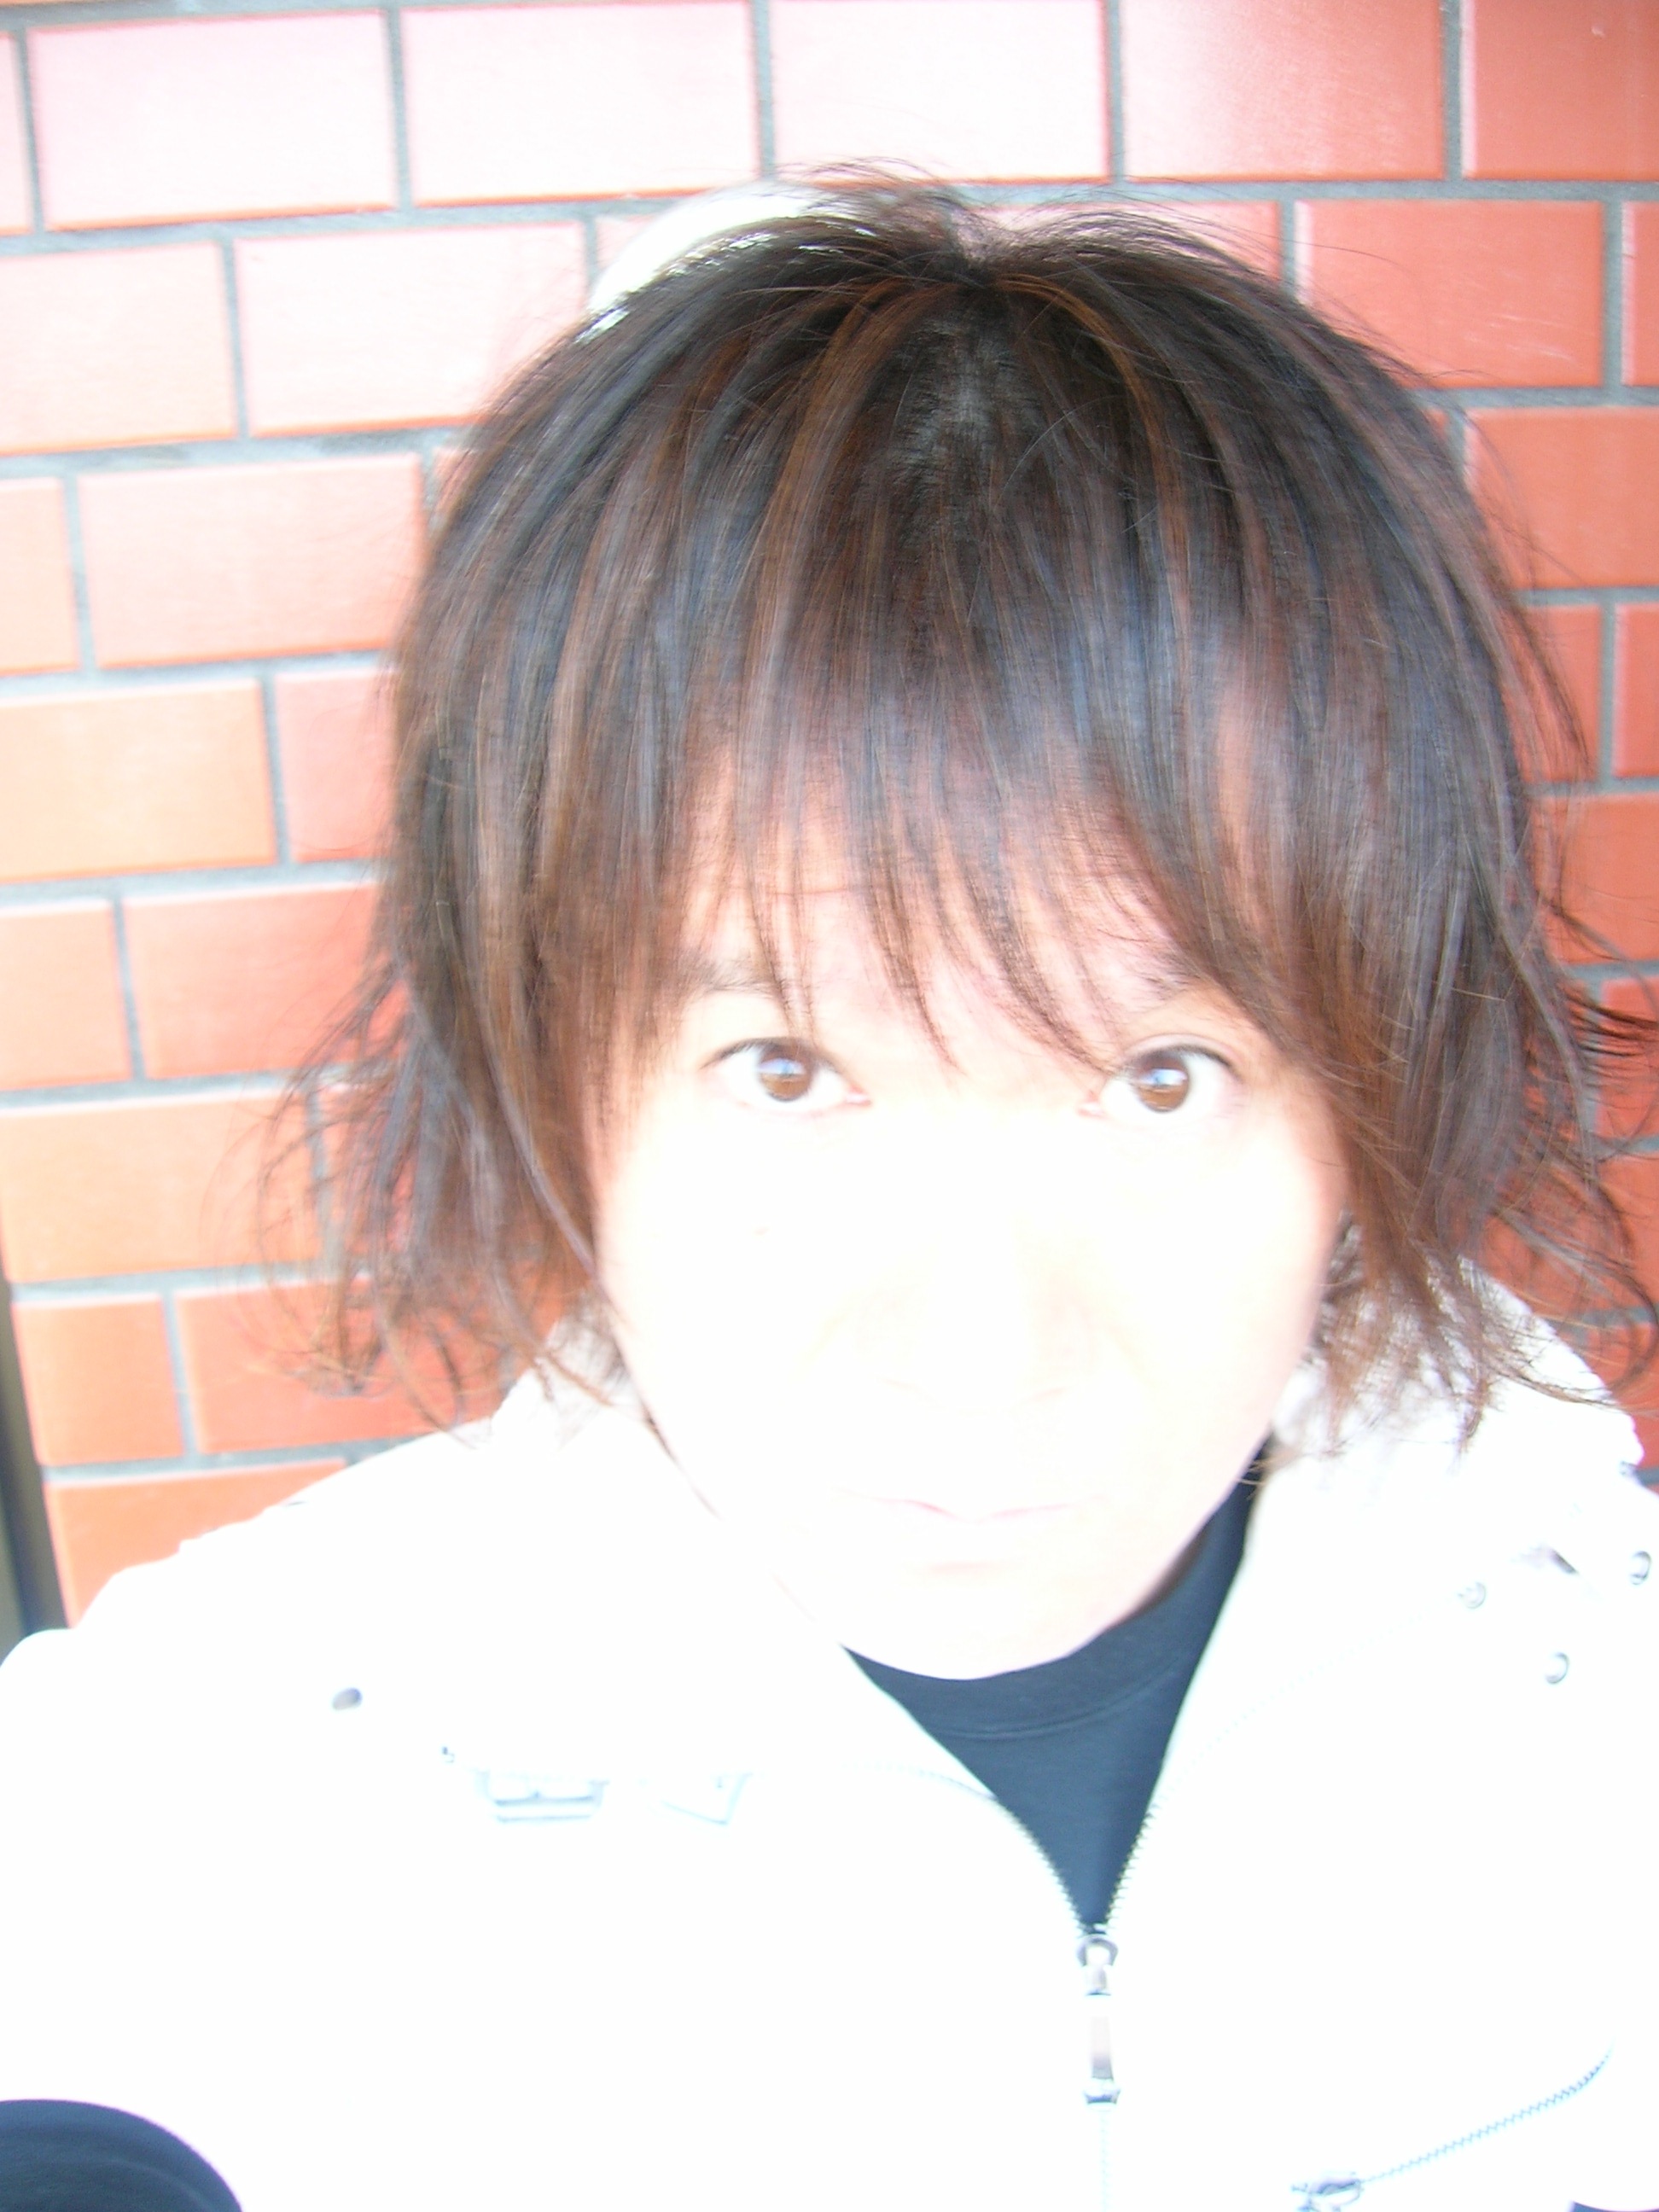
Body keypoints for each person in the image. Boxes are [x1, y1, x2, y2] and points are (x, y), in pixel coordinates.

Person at [1, 186, 1656, 2212]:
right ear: (555, 1070)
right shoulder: (251, 1764)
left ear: (1372, 1087)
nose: (981, 1358)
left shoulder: (1598, 1657)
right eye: (785, 1071)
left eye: (1161, 1077)